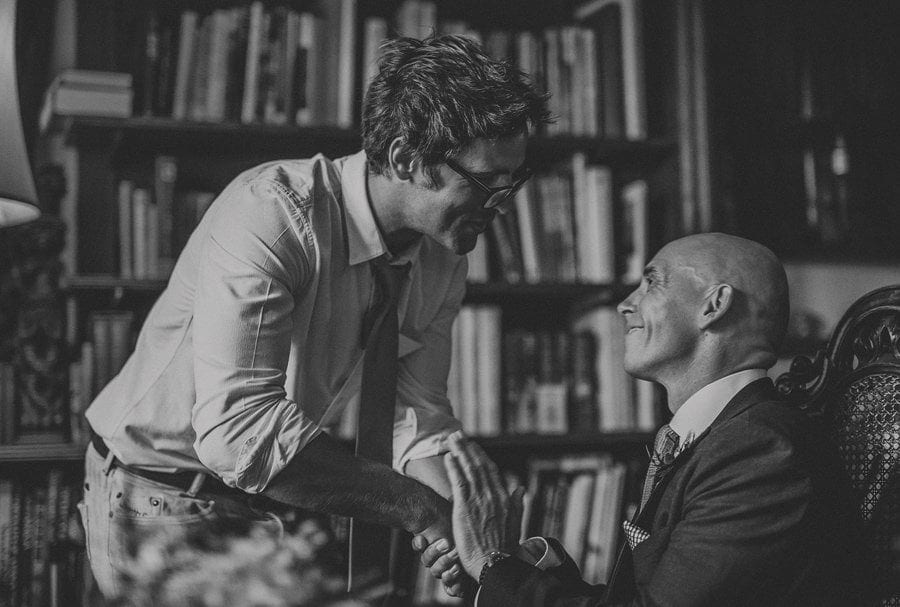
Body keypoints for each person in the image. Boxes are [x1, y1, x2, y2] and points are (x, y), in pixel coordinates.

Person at [79, 34, 551, 598]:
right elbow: (238, 431)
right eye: (485, 184)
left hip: (271, 495)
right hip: (162, 490)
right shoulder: (273, 212)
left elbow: (419, 416)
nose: (501, 207)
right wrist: (418, 507)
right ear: (405, 157)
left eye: (513, 184)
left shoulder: (444, 256)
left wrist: (468, 532)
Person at [418, 233, 869, 606]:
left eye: (650, 284)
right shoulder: (723, 436)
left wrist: (492, 566)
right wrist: (520, 564)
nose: (624, 305)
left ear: (714, 306)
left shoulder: (761, 450)